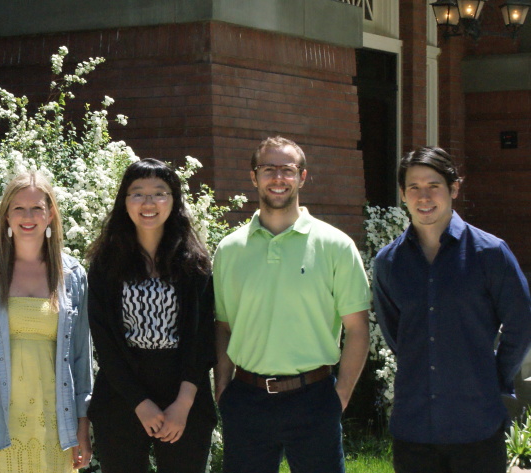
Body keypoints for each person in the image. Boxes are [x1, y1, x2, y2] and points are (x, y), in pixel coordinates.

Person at [213, 136, 371, 473]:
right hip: (247, 398)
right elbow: (224, 326)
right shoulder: (229, 250)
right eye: (268, 169)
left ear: (301, 177)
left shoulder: (336, 246)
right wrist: (223, 389)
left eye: (287, 169)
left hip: (313, 398)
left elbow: (358, 329)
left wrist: (339, 397)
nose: (278, 178)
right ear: (254, 177)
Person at [372, 147, 531, 473]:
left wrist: (494, 377)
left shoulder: (490, 254)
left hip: (477, 424)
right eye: (413, 187)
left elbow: (521, 323)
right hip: (413, 427)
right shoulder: (388, 263)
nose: (423, 196)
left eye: (434, 185)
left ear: (454, 188)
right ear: (403, 194)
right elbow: (397, 335)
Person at [0, 171, 93, 473]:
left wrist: (82, 424)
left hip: (56, 432)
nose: (28, 216)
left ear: (50, 215)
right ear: (6, 217)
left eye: (37, 208)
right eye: (19, 208)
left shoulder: (73, 276)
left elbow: (81, 360)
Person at [86, 158, 217, 473]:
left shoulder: (194, 265)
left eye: (159, 193)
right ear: (125, 202)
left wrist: (183, 404)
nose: (148, 202)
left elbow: (203, 338)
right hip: (121, 394)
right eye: (137, 193)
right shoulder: (105, 265)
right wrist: (139, 403)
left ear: (174, 201)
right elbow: (104, 342)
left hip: (184, 391)